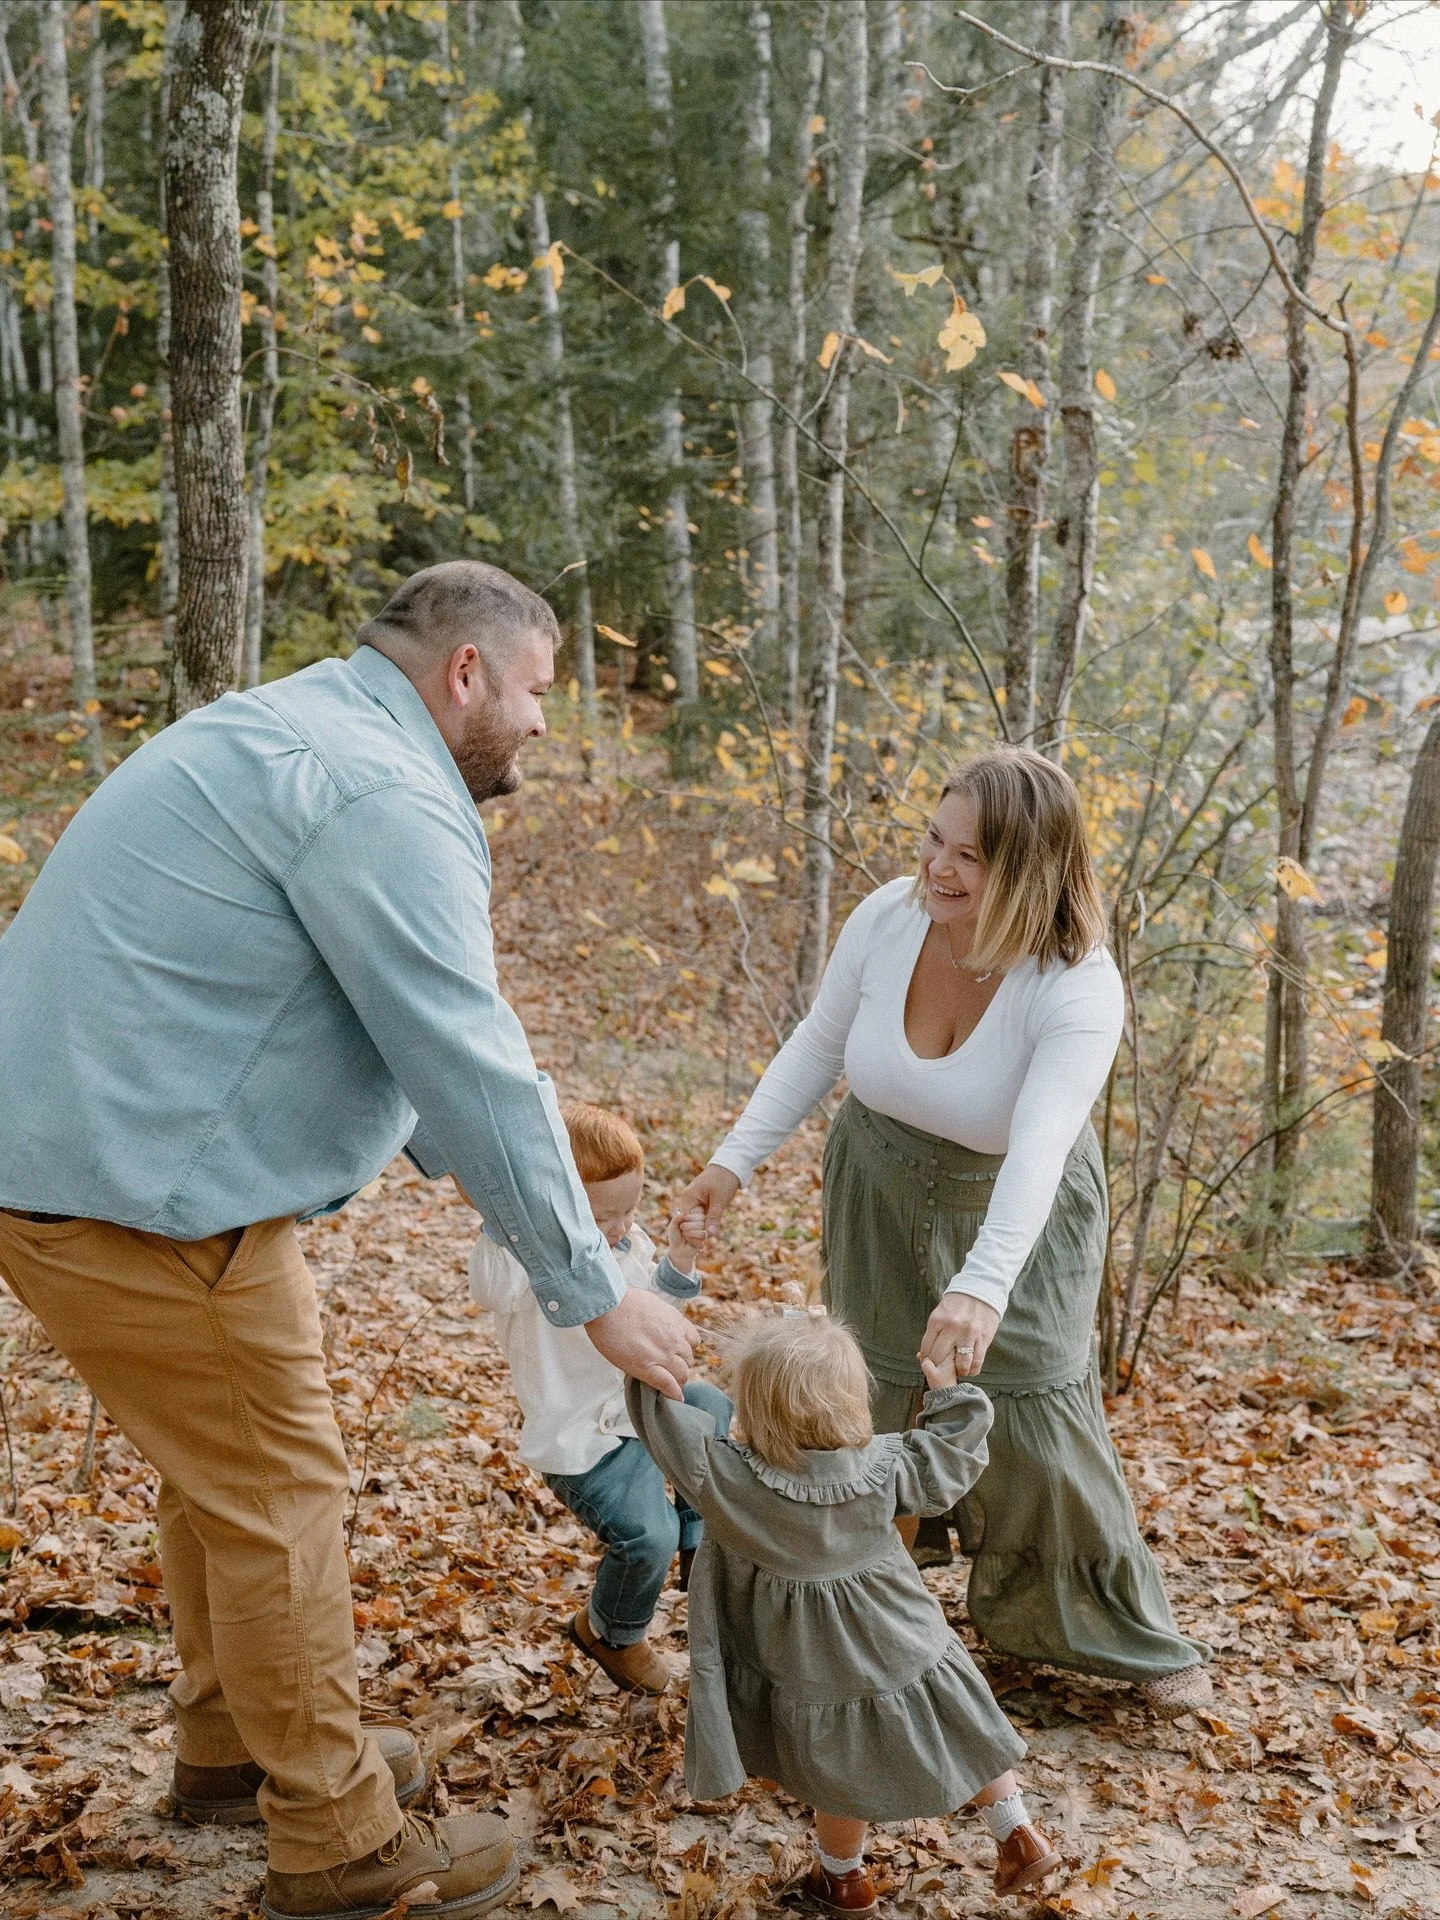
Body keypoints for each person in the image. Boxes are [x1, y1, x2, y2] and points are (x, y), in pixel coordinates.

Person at [0, 561, 697, 1920]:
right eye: (541, 692)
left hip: (91, 1159)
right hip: (137, 1190)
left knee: (226, 1478)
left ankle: (230, 1750)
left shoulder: (297, 729)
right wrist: (588, 1291)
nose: (548, 726)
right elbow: (463, 1056)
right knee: (280, 1497)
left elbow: (387, 1034)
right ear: (466, 674)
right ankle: (335, 1838)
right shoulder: (382, 797)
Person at [673, 748, 1210, 1712]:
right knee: (872, 1390)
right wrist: (730, 1161)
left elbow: (1040, 1149)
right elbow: (818, 1041)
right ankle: (861, 1599)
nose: (939, 868)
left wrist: (983, 1286)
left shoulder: (1077, 986)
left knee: (1032, 1408)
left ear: (1033, 870)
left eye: (973, 856)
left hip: (1017, 1209)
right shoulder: (887, 917)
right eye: (934, 839)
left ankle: (1109, 1630)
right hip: (879, 1184)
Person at [626, 1313, 1063, 1910]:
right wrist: (947, 1392)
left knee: (839, 1765)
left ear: (754, 1406)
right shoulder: (886, 1465)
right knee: (956, 1721)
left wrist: (657, 1325)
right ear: (852, 1399)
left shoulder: (724, 1476)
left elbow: (657, 1413)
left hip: (814, 1666)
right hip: (904, 1638)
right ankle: (1018, 1833)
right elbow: (953, 1454)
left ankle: (844, 1879)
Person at [469, 1101, 731, 1694]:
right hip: (582, 1435)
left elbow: (655, 1317)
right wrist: (503, 1216)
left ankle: (698, 1537)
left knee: (712, 1407)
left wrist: (678, 1256)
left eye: (629, 1211)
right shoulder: (521, 1257)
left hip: (636, 1406)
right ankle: (610, 1632)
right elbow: (489, 1286)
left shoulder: (624, 1241)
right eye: (603, 1215)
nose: (619, 1228)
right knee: (646, 1536)